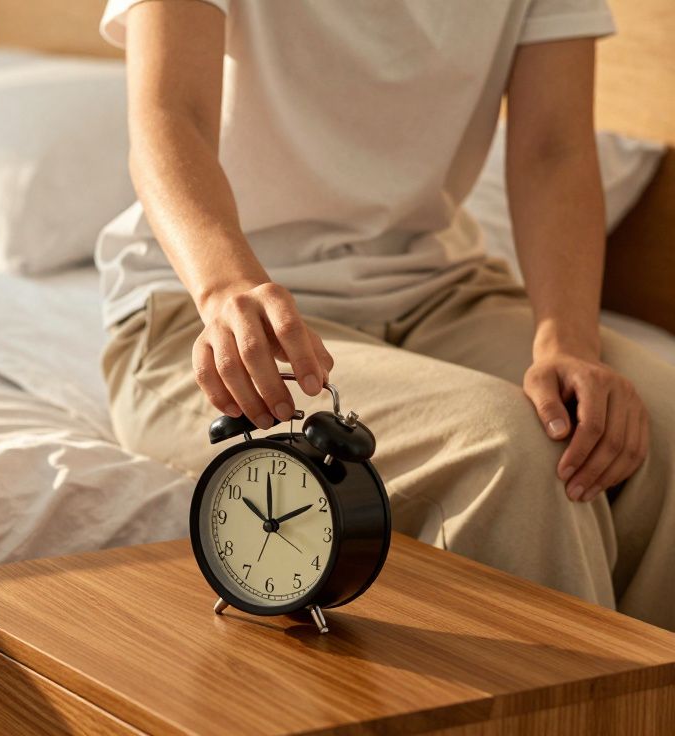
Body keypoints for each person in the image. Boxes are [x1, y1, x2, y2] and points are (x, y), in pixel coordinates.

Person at [97, 0, 673, 630]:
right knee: (508, 449)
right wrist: (225, 285)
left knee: (657, 419)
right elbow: (171, 114)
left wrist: (569, 344)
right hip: (213, 310)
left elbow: (553, 149)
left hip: (437, 288)